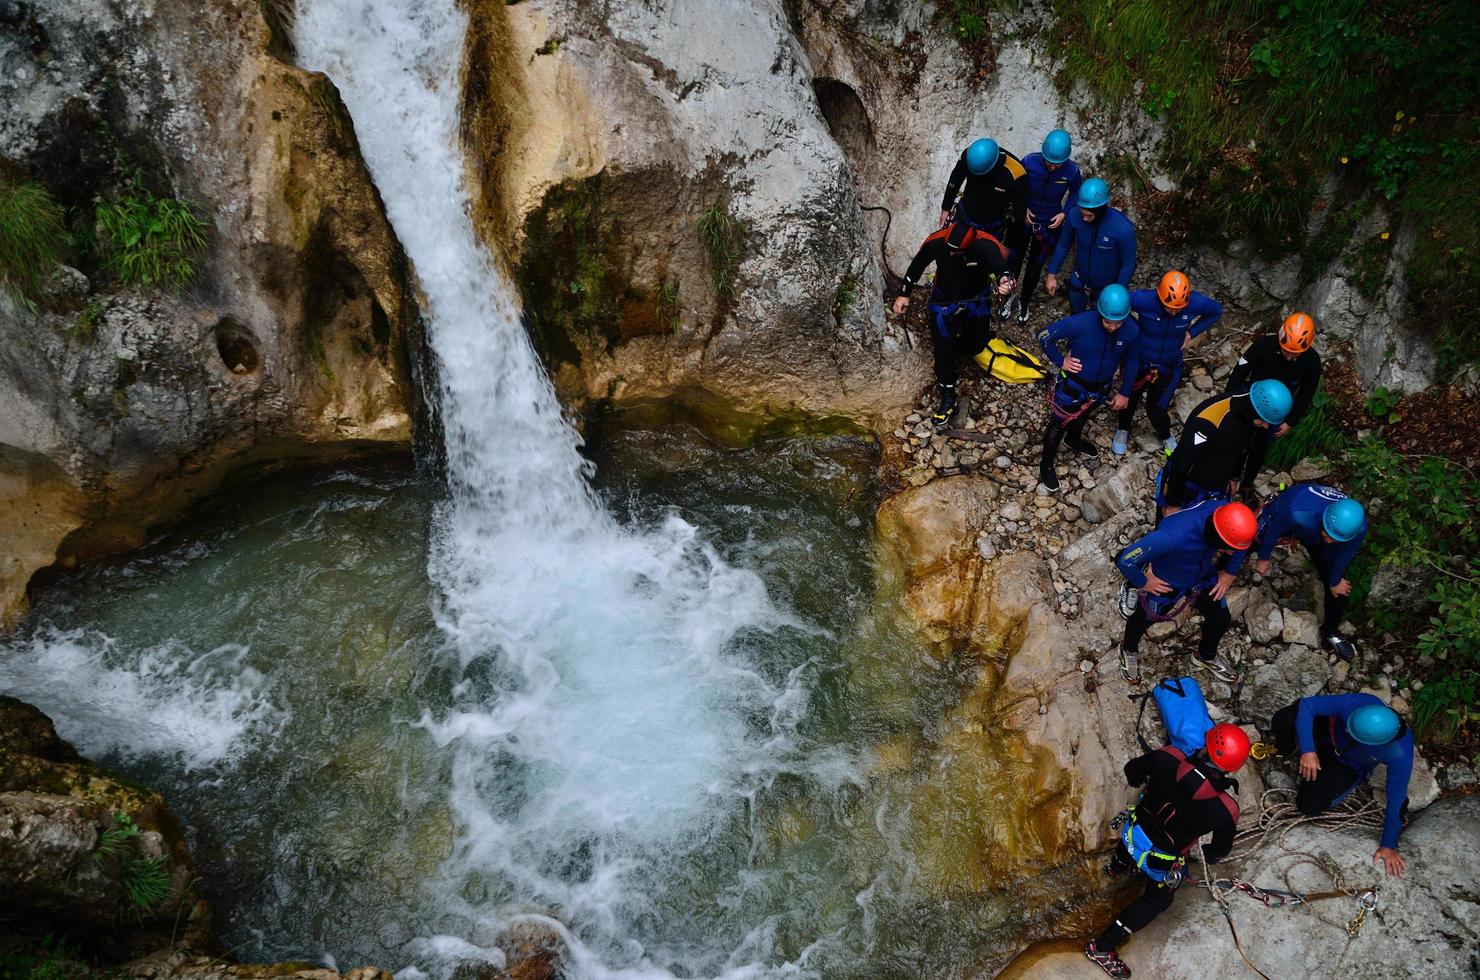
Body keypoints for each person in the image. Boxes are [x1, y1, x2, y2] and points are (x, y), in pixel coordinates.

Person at [1084, 724, 1249, 978]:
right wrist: (1206, 850)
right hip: (1161, 861)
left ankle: (1116, 867)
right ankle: (1102, 948)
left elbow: (1132, 772)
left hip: (1132, 835)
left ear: (1205, 748)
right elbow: (1218, 851)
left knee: (1134, 840)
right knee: (1155, 901)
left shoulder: (1167, 757)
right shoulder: (1225, 810)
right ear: (1229, 768)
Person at [1269, 695, 1413, 878]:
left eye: (1351, 729)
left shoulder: (1399, 754)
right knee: (1285, 717)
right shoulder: (1358, 704)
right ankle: (1286, 750)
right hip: (1329, 734)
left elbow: (1397, 799)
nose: (1347, 727)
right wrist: (1307, 750)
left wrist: (1388, 845)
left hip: (1347, 763)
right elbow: (1306, 705)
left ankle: (1335, 776)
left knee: (1309, 804)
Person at [1113, 500, 1256, 684]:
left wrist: (1230, 572)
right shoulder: (1172, 535)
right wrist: (1143, 581)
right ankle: (1128, 650)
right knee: (1143, 620)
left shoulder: (1224, 514)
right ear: (1215, 536)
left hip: (1200, 577)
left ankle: (1206, 655)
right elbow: (1125, 559)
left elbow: (1240, 545)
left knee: (1220, 618)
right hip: (1166, 583)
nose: (1230, 553)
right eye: (1227, 548)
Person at [893, 220, 1016, 426]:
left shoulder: (986, 244)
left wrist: (1005, 282)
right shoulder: (937, 241)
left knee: (977, 342)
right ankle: (948, 395)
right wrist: (904, 294)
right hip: (944, 301)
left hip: (976, 299)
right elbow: (917, 265)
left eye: (955, 252)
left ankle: (960, 351)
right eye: (949, 250)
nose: (950, 254)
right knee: (942, 348)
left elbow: (1001, 268)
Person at [1227, 485, 1367, 661]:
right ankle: (1220, 572)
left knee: (1339, 587)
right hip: (1287, 515)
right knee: (1251, 537)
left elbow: (1344, 554)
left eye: (1335, 539)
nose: (1330, 541)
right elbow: (1274, 531)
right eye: (1329, 535)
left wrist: (1334, 581)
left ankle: (1331, 632)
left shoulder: (1357, 528)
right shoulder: (1297, 511)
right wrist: (1263, 558)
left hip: (1315, 530)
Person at [1036, 284, 1139, 492]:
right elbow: (1044, 336)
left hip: (1101, 386)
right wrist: (1060, 360)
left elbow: (1132, 361)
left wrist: (1125, 392)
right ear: (1100, 311)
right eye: (1108, 322)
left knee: (1083, 416)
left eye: (1117, 323)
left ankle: (1073, 440)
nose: (1112, 327)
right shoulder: (1080, 323)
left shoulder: (1131, 329)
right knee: (1059, 422)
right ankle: (1045, 465)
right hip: (1074, 384)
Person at [1112, 272, 1223, 456]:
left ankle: (1165, 434)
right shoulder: (1144, 299)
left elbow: (1216, 311)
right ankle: (1123, 430)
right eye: (1169, 307)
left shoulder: (1196, 303)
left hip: (1169, 364)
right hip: (1139, 360)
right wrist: (1132, 327)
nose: (1174, 312)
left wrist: (1192, 332)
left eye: (1179, 309)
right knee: (1129, 399)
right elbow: (1118, 302)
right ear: (1159, 295)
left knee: (1156, 409)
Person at [1155, 381, 1291, 520]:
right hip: (1187, 487)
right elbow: (1181, 463)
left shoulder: (1250, 417)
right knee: (1168, 535)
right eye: (1263, 420)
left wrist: (1233, 477)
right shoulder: (1209, 419)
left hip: (1215, 489)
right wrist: (1173, 504)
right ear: (1253, 409)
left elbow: (1240, 448)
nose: (1266, 426)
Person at [1226, 312, 1323, 495]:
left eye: (1296, 354)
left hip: (1277, 411)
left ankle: (1247, 482)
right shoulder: (1264, 346)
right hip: (1252, 400)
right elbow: (1239, 372)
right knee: (1239, 438)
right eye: (1286, 351)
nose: (1289, 358)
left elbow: (1306, 394)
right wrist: (1230, 401)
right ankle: (1232, 476)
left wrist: (1290, 421)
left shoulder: (1311, 361)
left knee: (1260, 447)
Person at [1012, 128, 1083, 323]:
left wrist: (1064, 213)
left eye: (1056, 163)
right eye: (1049, 162)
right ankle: (1009, 295)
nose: (1052, 166)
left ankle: (1024, 301)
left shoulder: (1072, 171)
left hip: (1050, 224)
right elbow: (1016, 185)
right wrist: (1022, 207)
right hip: (1027, 218)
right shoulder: (1029, 161)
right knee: (1015, 259)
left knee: (1036, 265)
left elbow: (1077, 193)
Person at [1044, 177, 1136, 314]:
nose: (1084, 219)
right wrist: (1051, 274)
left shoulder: (1122, 228)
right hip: (1079, 280)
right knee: (1077, 316)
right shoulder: (1075, 215)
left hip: (1106, 287)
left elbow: (1128, 264)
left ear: (1100, 210)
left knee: (1099, 323)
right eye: (1082, 213)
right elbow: (1064, 245)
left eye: (1089, 215)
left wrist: (1117, 293)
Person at [938, 137, 1029, 262]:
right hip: (964, 215)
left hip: (992, 225)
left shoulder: (1016, 172)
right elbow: (955, 179)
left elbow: (1019, 212)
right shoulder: (969, 155)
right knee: (952, 256)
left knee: (981, 263)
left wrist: (1007, 244)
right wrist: (945, 208)